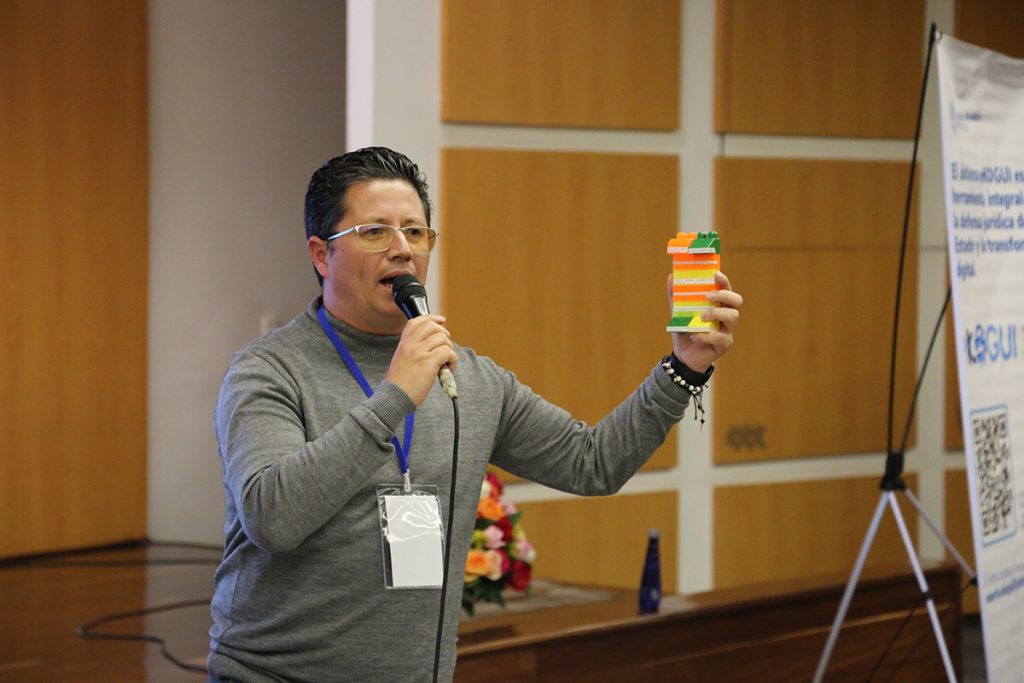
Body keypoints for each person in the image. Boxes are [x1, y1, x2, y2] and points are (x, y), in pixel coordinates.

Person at [208, 146, 742, 682]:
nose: (402, 250)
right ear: (322, 255)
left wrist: (684, 365)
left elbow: (594, 463)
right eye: (375, 232)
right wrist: (395, 396)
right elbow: (273, 519)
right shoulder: (269, 370)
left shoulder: (467, 376)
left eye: (416, 233)